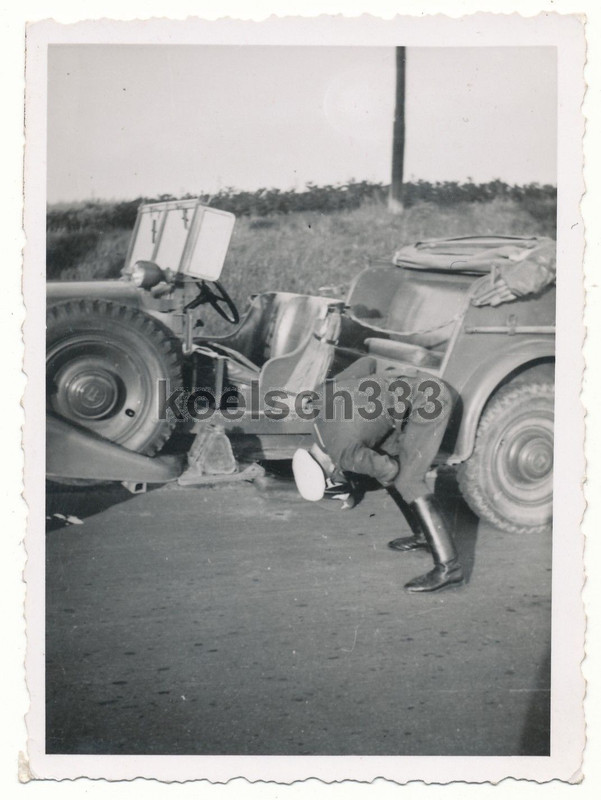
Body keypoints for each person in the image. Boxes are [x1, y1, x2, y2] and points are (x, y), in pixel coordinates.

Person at [293, 371, 464, 593]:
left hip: (428, 401)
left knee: (408, 480)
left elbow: (390, 470)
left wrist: (368, 473)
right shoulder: (318, 412)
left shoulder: (343, 454)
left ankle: (450, 568)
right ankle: (423, 534)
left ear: (330, 473)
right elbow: (365, 365)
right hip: (409, 394)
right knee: (389, 462)